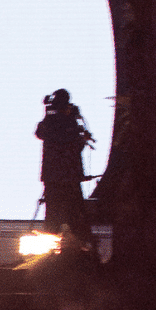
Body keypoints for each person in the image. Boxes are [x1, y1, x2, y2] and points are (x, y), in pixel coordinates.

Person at [36, 88, 95, 245]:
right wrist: (81, 138)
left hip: (55, 175)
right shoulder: (59, 121)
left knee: (54, 213)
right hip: (67, 175)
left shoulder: (52, 120)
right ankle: (82, 243)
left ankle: (55, 243)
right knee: (74, 212)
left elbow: (41, 133)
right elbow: (71, 145)